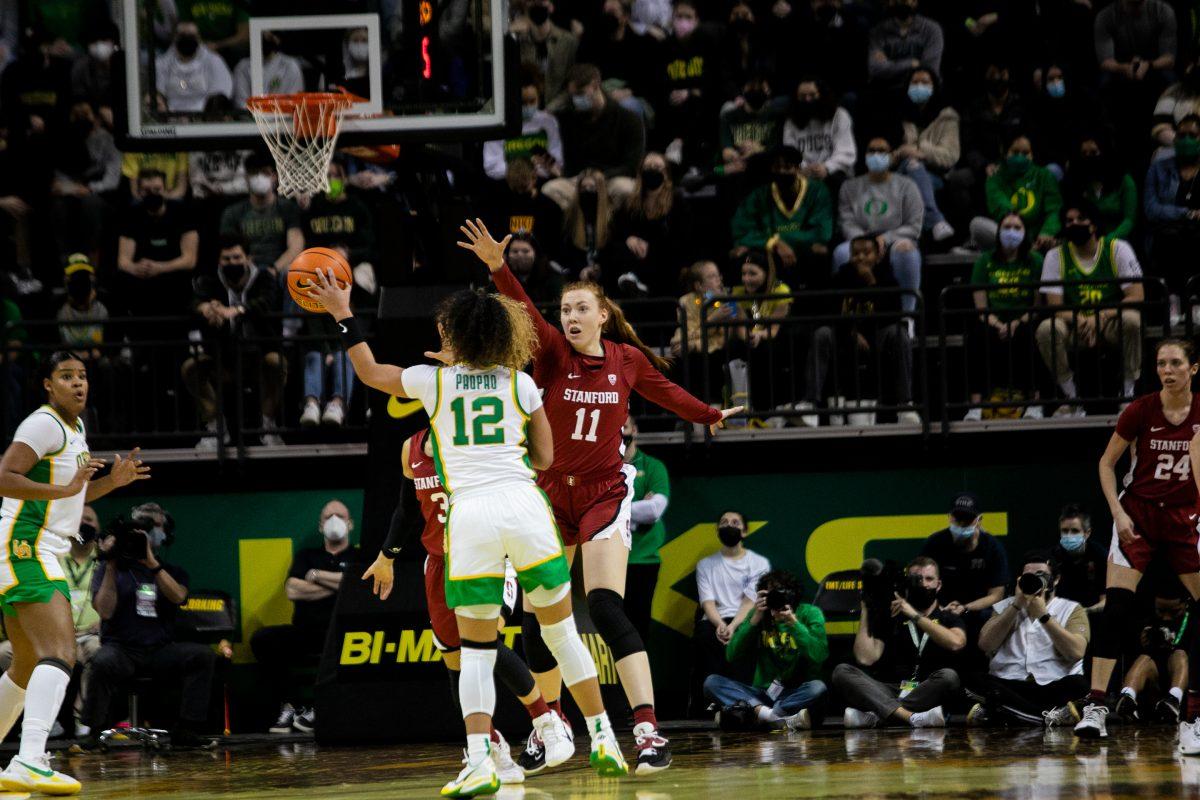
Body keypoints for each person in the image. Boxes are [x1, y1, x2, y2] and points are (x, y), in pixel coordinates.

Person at [309, 273, 630, 794]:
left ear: (454, 336)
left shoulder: (431, 382)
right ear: (503, 338)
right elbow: (546, 458)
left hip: (472, 519)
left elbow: (368, 372)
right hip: (525, 507)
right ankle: (604, 739)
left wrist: (344, 313)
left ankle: (480, 758)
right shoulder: (520, 383)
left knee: (475, 654)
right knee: (561, 633)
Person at [461, 218, 741, 775]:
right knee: (545, 617)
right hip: (545, 496)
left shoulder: (625, 360)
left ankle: (647, 729)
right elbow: (522, 307)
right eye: (566, 311)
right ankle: (552, 725)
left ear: (603, 315)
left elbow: (667, 392)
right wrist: (497, 265)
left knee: (607, 604)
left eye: (581, 309)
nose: (570, 318)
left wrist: (709, 415)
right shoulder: (549, 352)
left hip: (602, 493)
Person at [360, 431, 564, 785]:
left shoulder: (474, 440)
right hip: (440, 564)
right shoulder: (411, 447)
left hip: (487, 555)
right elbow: (408, 508)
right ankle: (488, 747)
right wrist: (386, 556)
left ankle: (546, 722)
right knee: (456, 660)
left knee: (482, 646)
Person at [0, 351, 148, 792]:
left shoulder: (76, 428)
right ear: (47, 384)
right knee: (60, 653)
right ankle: (29, 759)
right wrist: (65, 488)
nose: (78, 384)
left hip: (37, 547)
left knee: (27, 664)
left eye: (82, 376)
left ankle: (23, 761)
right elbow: (5, 476)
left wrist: (109, 484)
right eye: (66, 377)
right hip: (24, 544)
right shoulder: (42, 424)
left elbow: (69, 500)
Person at [1076, 338, 1200, 747]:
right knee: (1116, 609)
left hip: (1185, 517)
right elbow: (1106, 463)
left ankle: (1193, 718)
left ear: (1193, 368)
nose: (1167, 370)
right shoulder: (1141, 410)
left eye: (1176, 363)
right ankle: (1095, 706)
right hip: (1140, 514)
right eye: (1161, 363)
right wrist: (1117, 512)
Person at [82, 505, 216, 752]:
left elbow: (178, 597)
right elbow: (105, 611)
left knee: (202, 655)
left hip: (160, 649)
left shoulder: (172, 571)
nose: (144, 533)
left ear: (165, 534)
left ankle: (187, 729)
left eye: (153, 526)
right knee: (102, 660)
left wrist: (152, 563)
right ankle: (93, 731)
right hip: (122, 648)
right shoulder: (109, 569)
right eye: (140, 526)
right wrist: (111, 563)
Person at [251, 500, 359, 736]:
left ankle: (321, 709)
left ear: (350, 523)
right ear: (320, 526)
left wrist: (316, 576)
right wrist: (340, 584)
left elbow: (358, 586)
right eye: (328, 516)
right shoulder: (307, 556)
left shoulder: (358, 556)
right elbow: (292, 589)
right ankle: (293, 706)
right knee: (263, 639)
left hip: (341, 633)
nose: (334, 521)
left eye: (340, 516)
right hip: (306, 630)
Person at [0, 504, 103, 738]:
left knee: (90, 653)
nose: (85, 525)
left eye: (90, 520)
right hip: (48, 629)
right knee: (18, 656)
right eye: (81, 519)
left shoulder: (105, 558)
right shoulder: (52, 553)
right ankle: (40, 728)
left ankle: (81, 720)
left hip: (91, 635)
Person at [1034, 200, 1144, 415]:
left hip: (1109, 323)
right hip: (1075, 326)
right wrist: (1082, 320)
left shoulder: (1117, 249)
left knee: (1132, 319)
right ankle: (1072, 397)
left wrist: (1099, 317)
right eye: (1069, 221)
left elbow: (1137, 295)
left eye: (1080, 219)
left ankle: (1128, 394)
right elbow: (1055, 306)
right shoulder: (1055, 256)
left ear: (1093, 225)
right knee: (1046, 329)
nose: (1074, 224)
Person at [832, 557, 964, 728]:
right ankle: (910, 717)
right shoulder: (892, 615)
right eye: (916, 579)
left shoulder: (948, 616)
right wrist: (866, 607)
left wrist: (914, 615)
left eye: (929, 579)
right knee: (841, 671)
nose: (922, 584)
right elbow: (866, 658)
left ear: (938, 585)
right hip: (890, 689)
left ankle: (877, 716)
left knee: (949, 677)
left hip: (926, 690)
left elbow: (956, 642)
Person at [806, 236, 919, 426]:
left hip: (877, 336)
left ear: (877, 255)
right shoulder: (840, 278)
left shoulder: (887, 279)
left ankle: (905, 404)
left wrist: (872, 283)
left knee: (899, 334)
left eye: (866, 253)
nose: (860, 258)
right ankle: (809, 404)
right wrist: (850, 332)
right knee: (822, 334)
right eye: (855, 253)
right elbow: (827, 312)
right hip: (845, 336)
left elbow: (894, 314)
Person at [967, 552, 1089, 727]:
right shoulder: (1005, 606)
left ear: (1055, 580)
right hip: (1010, 684)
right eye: (1028, 577)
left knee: (1079, 685)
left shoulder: (1071, 609)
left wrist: (1044, 616)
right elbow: (986, 644)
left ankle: (1004, 712)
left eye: (1041, 576)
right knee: (974, 681)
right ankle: (1044, 717)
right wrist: (1016, 605)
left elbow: (1076, 652)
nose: (1035, 581)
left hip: (1051, 686)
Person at [703, 570, 828, 731]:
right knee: (712, 682)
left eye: (780, 593)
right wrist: (755, 620)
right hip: (762, 695)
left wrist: (793, 623)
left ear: (792, 594)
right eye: (771, 594)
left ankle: (755, 716)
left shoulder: (809, 613)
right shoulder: (758, 615)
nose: (776, 598)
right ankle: (773, 717)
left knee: (818, 688)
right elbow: (731, 654)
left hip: (796, 693)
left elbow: (819, 655)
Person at [964, 213, 1043, 421]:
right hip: (993, 320)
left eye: (1017, 228)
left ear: (1025, 233)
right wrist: (998, 324)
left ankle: (1035, 403)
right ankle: (976, 406)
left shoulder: (1034, 260)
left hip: (1025, 320)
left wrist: (1017, 322)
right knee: (976, 337)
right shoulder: (984, 261)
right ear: (998, 232)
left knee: (1033, 335)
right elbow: (981, 307)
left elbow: (1037, 305)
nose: (1011, 232)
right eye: (1007, 227)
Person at [835, 135, 924, 314]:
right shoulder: (849, 187)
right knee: (842, 252)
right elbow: (846, 222)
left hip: (895, 238)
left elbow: (914, 225)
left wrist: (886, 238)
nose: (876, 155)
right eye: (872, 151)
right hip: (861, 239)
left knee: (907, 252)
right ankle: (848, 313)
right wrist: (868, 242)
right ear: (865, 156)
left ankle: (907, 315)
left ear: (891, 156)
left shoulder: (908, 185)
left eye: (882, 151)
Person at [693, 510, 769, 710]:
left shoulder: (759, 563)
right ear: (717, 530)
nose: (729, 526)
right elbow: (708, 602)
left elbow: (749, 601)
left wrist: (734, 626)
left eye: (735, 523)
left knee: (746, 639)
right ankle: (710, 703)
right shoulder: (705, 565)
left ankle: (744, 703)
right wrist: (720, 625)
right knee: (706, 636)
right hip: (714, 621)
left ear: (744, 531)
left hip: (744, 620)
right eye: (724, 522)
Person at [544, 64, 644, 211]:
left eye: (580, 94)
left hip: (612, 179)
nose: (576, 100)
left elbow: (632, 165)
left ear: (596, 85)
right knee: (550, 189)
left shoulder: (628, 119)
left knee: (627, 189)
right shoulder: (570, 119)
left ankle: (609, 228)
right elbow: (571, 161)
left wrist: (598, 177)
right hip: (580, 181)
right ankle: (576, 228)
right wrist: (563, 172)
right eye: (573, 96)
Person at [731, 146, 833, 290]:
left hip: (803, 252)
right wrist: (774, 243)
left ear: (798, 168)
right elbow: (741, 231)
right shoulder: (760, 194)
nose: (781, 172)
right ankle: (755, 308)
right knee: (739, 253)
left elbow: (822, 233)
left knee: (820, 251)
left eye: (787, 167)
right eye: (777, 167)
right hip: (770, 251)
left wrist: (780, 241)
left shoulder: (817, 191)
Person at [117, 169, 199, 322]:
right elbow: (123, 262)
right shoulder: (131, 215)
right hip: (143, 279)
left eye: (157, 189)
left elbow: (190, 260)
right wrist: (135, 268)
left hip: (174, 278)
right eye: (147, 190)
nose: (153, 193)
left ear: (165, 190)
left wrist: (160, 267)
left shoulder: (183, 212)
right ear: (140, 192)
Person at [606, 152, 688, 299]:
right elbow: (617, 230)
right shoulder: (630, 203)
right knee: (618, 249)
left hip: (664, 259)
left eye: (657, 167)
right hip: (635, 259)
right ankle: (633, 282)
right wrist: (629, 238)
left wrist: (650, 246)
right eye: (648, 167)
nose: (652, 170)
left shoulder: (677, 201)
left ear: (666, 173)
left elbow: (681, 238)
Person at [919, 492, 1009, 617]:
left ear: (979, 520)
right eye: (957, 518)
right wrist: (940, 609)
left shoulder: (993, 548)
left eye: (967, 519)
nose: (961, 524)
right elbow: (923, 584)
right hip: (941, 611)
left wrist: (965, 608)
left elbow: (996, 594)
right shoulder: (934, 544)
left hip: (979, 612)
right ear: (949, 517)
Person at [896, 67, 959, 242]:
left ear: (934, 86)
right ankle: (937, 221)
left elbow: (950, 156)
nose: (919, 86)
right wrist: (901, 152)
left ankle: (913, 239)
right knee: (911, 165)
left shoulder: (947, 117)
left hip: (935, 176)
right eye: (915, 82)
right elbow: (883, 151)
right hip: (898, 173)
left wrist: (920, 152)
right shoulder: (897, 115)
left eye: (925, 82)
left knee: (914, 173)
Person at [969, 134, 1062, 253]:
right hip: (1010, 232)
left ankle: (1022, 251)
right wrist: (1021, 235)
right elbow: (1002, 208)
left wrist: (1047, 232)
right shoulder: (995, 176)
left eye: (1025, 153)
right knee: (977, 225)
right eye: (1015, 152)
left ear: (1032, 154)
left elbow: (1054, 209)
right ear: (1006, 153)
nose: (1020, 156)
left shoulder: (1044, 176)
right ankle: (1026, 250)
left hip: (1039, 237)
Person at [1145, 114, 1200, 312]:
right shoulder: (1158, 169)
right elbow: (1151, 209)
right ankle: (1174, 300)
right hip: (1167, 232)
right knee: (1170, 239)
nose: (1186, 140)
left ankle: (1195, 299)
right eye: (1182, 135)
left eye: (1192, 135)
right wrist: (1187, 213)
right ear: (1174, 139)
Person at [622, 418, 669, 642]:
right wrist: (635, 513)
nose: (621, 432)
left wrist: (619, 511)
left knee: (638, 626)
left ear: (635, 430)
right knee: (611, 625)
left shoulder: (652, 466)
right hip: (608, 560)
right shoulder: (601, 468)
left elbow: (654, 510)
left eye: (625, 427)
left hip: (643, 559)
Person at [1114, 587, 1190, 724]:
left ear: (1186, 605)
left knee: (1180, 654)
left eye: (1174, 612)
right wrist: (1141, 644)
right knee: (1144, 658)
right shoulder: (1146, 621)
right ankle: (1127, 697)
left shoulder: (1194, 622)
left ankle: (1174, 700)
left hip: (1181, 682)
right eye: (1161, 611)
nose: (1166, 617)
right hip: (1151, 686)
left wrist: (1173, 645)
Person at [731, 250, 794, 415]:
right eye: (744, 273)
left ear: (767, 274)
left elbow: (773, 330)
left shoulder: (780, 291)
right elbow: (740, 325)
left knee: (767, 351)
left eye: (752, 273)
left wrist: (758, 335)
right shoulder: (737, 293)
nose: (746, 279)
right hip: (750, 337)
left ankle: (771, 409)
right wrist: (748, 336)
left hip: (776, 338)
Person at [670, 260, 738, 406]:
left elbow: (721, 341)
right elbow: (684, 334)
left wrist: (694, 345)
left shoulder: (727, 301)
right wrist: (711, 320)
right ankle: (683, 415)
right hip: (694, 350)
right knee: (677, 360)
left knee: (709, 360)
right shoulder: (685, 301)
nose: (718, 280)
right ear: (698, 285)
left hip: (719, 352)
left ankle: (712, 413)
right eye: (712, 277)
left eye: (718, 276)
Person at [780, 78, 856, 197]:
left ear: (822, 94)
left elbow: (846, 152)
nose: (807, 99)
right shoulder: (791, 121)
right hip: (802, 173)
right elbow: (790, 152)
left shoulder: (840, 115)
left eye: (812, 95)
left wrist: (827, 167)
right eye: (802, 96)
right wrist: (803, 168)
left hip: (833, 172)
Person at [482, 76, 564, 182]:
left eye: (532, 101)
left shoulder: (548, 122)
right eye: (523, 102)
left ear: (539, 98)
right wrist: (525, 170)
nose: (528, 106)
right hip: (508, 183)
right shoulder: (499, 124)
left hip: (540, 182)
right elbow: (491, 167)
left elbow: (557, 162)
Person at [1061, 136, 1138, 241]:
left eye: (1094, 153)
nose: (1089, 158)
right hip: (1084, 244)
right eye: (1084, 154)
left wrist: (1106, 242)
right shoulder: (1076, 184)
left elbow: (1129, 220)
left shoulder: (1124, 181)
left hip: (1116, 242)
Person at [155, 21, 233, 113]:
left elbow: (221, 94)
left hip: (204, 117)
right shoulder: (161, 63)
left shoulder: (214, 61)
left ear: (199, 38)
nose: (187, 39)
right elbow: (158, 94)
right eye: (183, 35)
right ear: (175, 38)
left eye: (191, 36)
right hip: (170, 116)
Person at [867, 0, 944, 89]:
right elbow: (875, 69)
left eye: (906, 1)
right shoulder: (878, 31)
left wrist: (890, 66)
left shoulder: (931, 29)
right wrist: (911, 64)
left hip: (920, 89)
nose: (903, 3)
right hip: (888, 90)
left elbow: (929, 70)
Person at [515, 0, 579, 107]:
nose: (537, 6)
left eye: (541, 2)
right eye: (533, 3)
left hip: (558, 110)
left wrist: (552, 108)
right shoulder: (518, 42)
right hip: (527, 107)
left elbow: (572, 82)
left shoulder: (568, 42)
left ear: (551, 7)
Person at [1051, 504, 1107, 612]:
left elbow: (1105, 601)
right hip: (1059, 618)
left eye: (1075, 531)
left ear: (1087, 533)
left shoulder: (1101, 556)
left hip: (1092, 616)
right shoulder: (1052, 558)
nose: (1069, 535)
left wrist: (1082, 614)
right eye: (1065, 531)